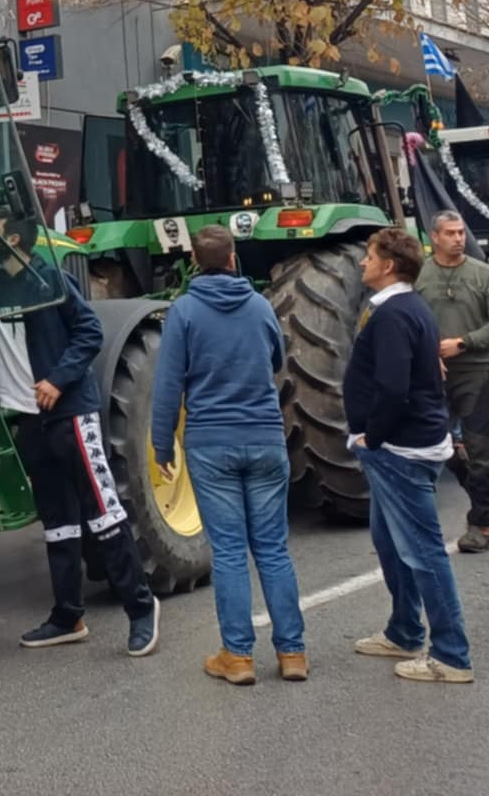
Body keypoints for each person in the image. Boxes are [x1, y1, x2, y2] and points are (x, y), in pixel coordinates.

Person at [0, 217, 158, 656]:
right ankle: (67, 615)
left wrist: (57, 379)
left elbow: (89, 331)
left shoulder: (49, 280)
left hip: (70, 412)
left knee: (103, 512)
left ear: (12, 239)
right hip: (30, 420)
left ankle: (142, 609)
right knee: (58, 523)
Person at [150, 225, 306, 686]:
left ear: (196, 262)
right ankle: (292, 652)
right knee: (274, 549)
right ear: (234, 259)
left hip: (211, 443)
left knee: (231, 551)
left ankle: (237, 657)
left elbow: (167, 386)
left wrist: (162, 445)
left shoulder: (184, 312)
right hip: (264, 439)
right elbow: (277, 359)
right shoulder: (259, 306)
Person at [344, 226, 474, 685]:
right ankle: (403, 630)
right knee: (387, 540)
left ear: (389, 266)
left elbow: (395, 386)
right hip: (404, 444)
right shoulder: (403, 308)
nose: (363, 262)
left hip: (400, 449)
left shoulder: (394, 315)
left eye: (369, 256)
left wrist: (371, 437)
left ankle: (451, 655)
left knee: (423, 552)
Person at [415, 211, 489, 553]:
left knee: (481, 446)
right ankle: (479, 487)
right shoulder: (420, 275)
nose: (458, 238)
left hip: (476, 369)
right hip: (432, 372)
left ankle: (479, 524)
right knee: (434, 441)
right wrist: (430, 355)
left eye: (461, 233)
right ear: (434, 237)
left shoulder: (482, 273)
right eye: (451, 233)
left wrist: (464, 343)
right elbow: (409, 320)